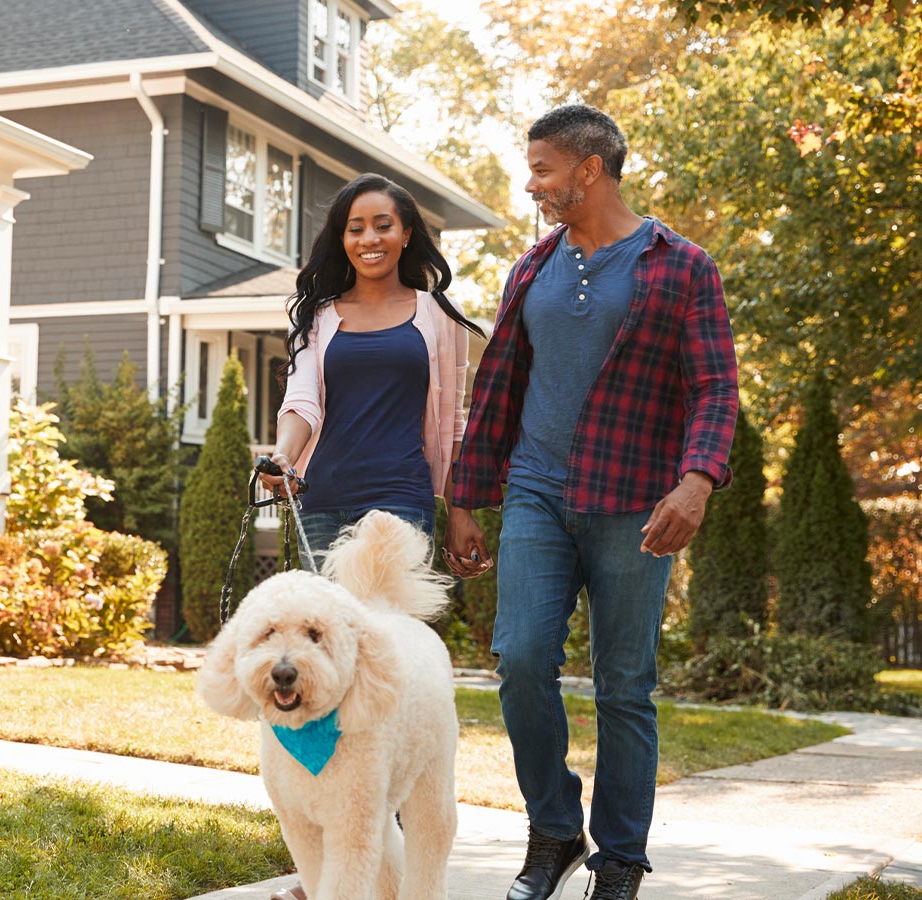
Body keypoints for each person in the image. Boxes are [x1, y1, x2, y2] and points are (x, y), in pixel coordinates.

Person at [444, 105, 739, 900]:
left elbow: (715, 387)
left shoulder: (682, 266)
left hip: (635, 503)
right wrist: (466, 498)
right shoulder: (532, 268)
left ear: (589, 169)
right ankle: (553, 830)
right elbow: (498, 388)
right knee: (521, 660)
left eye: (541, 169)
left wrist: (697, 481)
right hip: (537, 494)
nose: (531, 185)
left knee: (623, 686)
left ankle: (620, 860)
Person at [260, 173, 486, 574]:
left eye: (383, 226)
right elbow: (301, 400)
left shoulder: (440, 315)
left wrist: (460, 512)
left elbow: (453, 424)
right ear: (342, 239)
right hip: (323, 503)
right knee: (328, 616)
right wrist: (285, 456)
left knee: (391, 615)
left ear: (406, 233)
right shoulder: (317, 316)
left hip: (402, 502)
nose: (369, 239)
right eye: (356, 229)